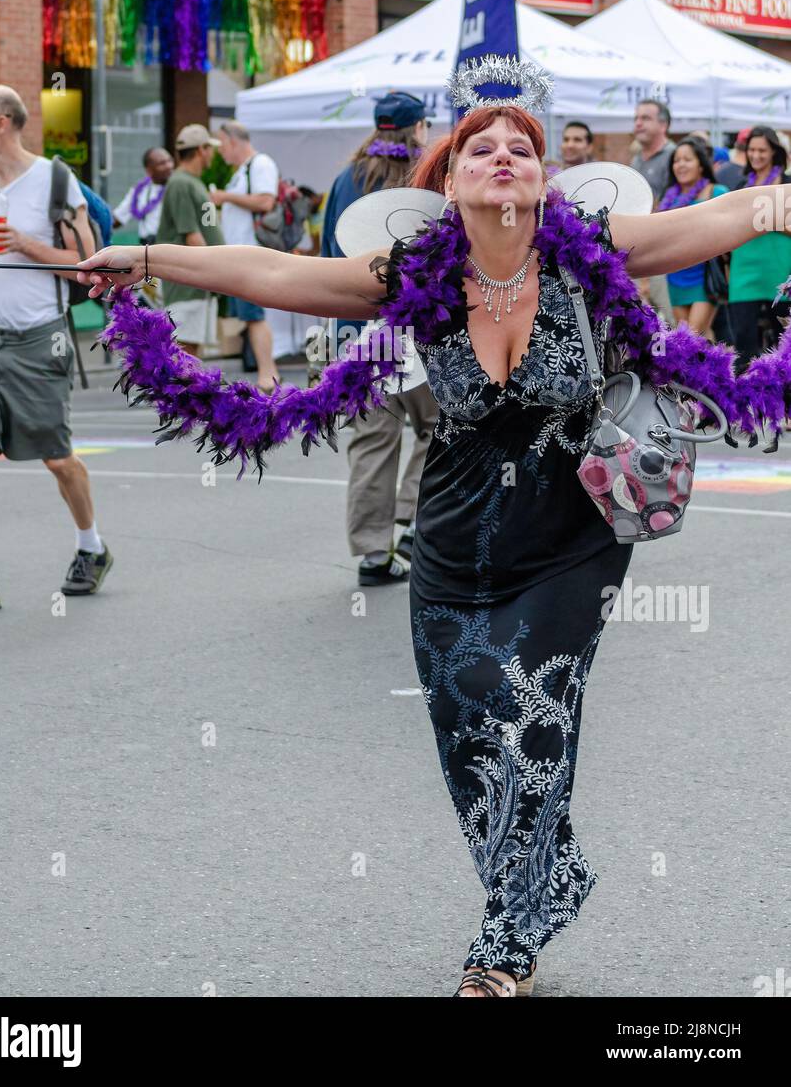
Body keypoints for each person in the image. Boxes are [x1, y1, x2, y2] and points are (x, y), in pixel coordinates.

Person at [78, 93, 789, 997]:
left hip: (575, 530)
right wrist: (147, 255)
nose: (502, 157)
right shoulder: (411, 270)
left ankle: (502, 946)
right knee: (464, 733)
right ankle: (534, 882)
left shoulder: (601, 251)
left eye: (520, 150)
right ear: (447, 183)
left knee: (528, 703)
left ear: (543, 182)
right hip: (453, 534)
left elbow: (732, 211)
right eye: (479, 149)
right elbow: (273, 272)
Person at [0, 85, 112, 616]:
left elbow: (89, 265)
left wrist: (27, 244)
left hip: (40, 336)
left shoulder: (56, 182)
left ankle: (91, 547)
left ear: (5, 122)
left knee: (57, 458)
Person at [320, 91, 439, 585]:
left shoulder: (345, 180)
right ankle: (412, 519)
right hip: (420, 326)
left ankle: (373, 553)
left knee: (372, 439)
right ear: (417, 129)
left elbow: (328, 254)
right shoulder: (429, 177)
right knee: (441, 424)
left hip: (357, 329)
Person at [209, 121, 281, 393]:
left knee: (254, 315)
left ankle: (267, 372)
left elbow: (265, 201)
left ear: (233, 141)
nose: (221, 152)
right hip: (241, 255)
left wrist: (224, 197)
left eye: (222, 144)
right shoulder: (244, 170)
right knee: (251, 315)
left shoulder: (260, 164)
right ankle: (267, 372)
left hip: (251, 254)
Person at [156, 125, 224, 359]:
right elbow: (191, 235)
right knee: (185, 352)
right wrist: (219, 273)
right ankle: (185, 396)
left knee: (192, 353)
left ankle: (191, 394)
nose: (212, 154)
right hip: (187, 285)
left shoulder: (190, 181)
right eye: (210, 148)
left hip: (197, 284)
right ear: (201, 150)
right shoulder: (181, 183)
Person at [727, 126, 791, 371]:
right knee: (743, 343)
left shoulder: (787, 185)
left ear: (774, 152)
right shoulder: (742, 186)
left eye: (762, 150)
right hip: (744, 270)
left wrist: (770, 221)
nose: (755, 155)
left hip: (781, 271)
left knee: (783, 344)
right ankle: (745, 403)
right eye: (751, 150)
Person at [658, 135, 729, 334]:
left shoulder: (716, 192)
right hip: (676, 275)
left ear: (701, 165)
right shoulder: (669, 199)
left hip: (704, 275)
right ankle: (713, 365)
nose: (681, 165)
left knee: (693, 335)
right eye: (676, 160)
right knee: (689, 339)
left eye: (687, 159)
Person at [630, 100, 675, 324]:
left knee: (671, 323)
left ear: (663, 125)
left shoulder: (673, 156)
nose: (638, 124)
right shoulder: (636, 159)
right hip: (640, 249)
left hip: (668, 251)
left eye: (645, 118)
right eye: (636, 118)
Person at [112, 146, 174, 243]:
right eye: (162, 163)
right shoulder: (139, 190)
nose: (169, 166)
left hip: (170, 247)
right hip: (147, 247)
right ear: (149, 170)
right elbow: (117, 219)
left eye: (170, 161)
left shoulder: (178, 188)